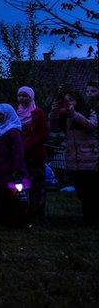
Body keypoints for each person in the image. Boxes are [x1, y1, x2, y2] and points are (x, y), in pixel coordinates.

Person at [49, 87, 98, 224]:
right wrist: (54, 111)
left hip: (90, 158)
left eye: (71, 100)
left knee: (92, 191)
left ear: (78, 101)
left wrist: (74, 113)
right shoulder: (64, 117)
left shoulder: (89, 112)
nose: (68, 103)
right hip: (73, 159)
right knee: (81, 192)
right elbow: (52, 128)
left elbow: (91, 126)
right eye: (65, 101)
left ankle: (92, 218)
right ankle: (88, 218)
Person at [0, 104, 29, 227]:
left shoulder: (13, 131)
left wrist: (17, 170)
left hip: (12, 171)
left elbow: (18, 152)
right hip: (2, 170)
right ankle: (3, 219)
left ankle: (15, 220)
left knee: (15, 195)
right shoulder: (0, 129)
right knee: (2, 195)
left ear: (6, 115)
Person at [16, 86, 48, 219]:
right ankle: (20, 210)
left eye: (25, 95)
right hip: (19, 156)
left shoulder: (38, 113)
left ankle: (37, 212)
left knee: (36, 184)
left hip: (35, 155)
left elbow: (42, 134)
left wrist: (27, 145)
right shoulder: (15, 112)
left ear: (31, 97)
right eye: (20, 95)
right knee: (20, 184)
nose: (22, 98)